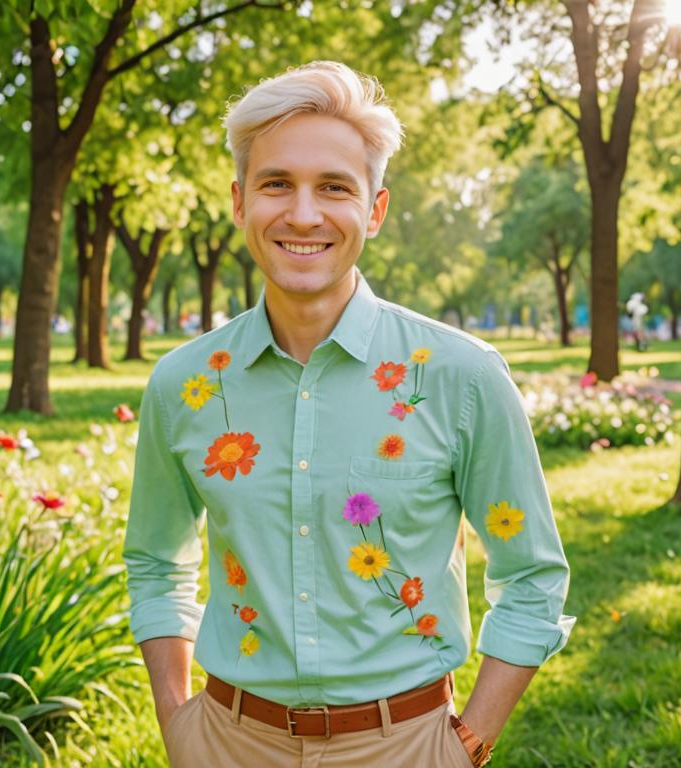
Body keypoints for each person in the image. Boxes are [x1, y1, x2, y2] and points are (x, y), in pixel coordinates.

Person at [124, 61, 575, 768]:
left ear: (375, 209)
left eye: (334, 187)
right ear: (240, 203)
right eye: (277, 184)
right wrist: (177, 720)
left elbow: (532, 575)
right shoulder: (182, 385)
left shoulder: (459, 376)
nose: (303, 214)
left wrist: (468, 742)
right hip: (224, 744)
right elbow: (155, 560)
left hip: (409, 747)